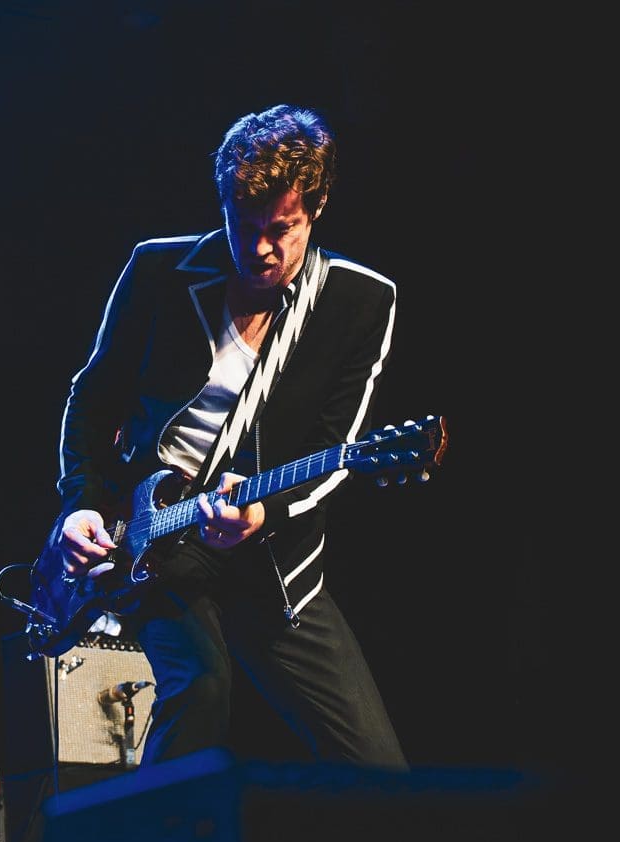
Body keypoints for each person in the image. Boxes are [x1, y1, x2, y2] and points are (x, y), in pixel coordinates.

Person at [53, 103, 407, 770]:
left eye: (282, 229)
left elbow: (336, 452)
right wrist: (82, 504)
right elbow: (92, 400)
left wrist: (264, 511)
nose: (261, 249)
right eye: (244, 227)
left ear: (317, 208)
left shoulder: (361, 301)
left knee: (377, 768)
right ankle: (155, 840)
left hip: (273, 558)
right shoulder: (158, 270)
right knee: (201, 690)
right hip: (151, 536)